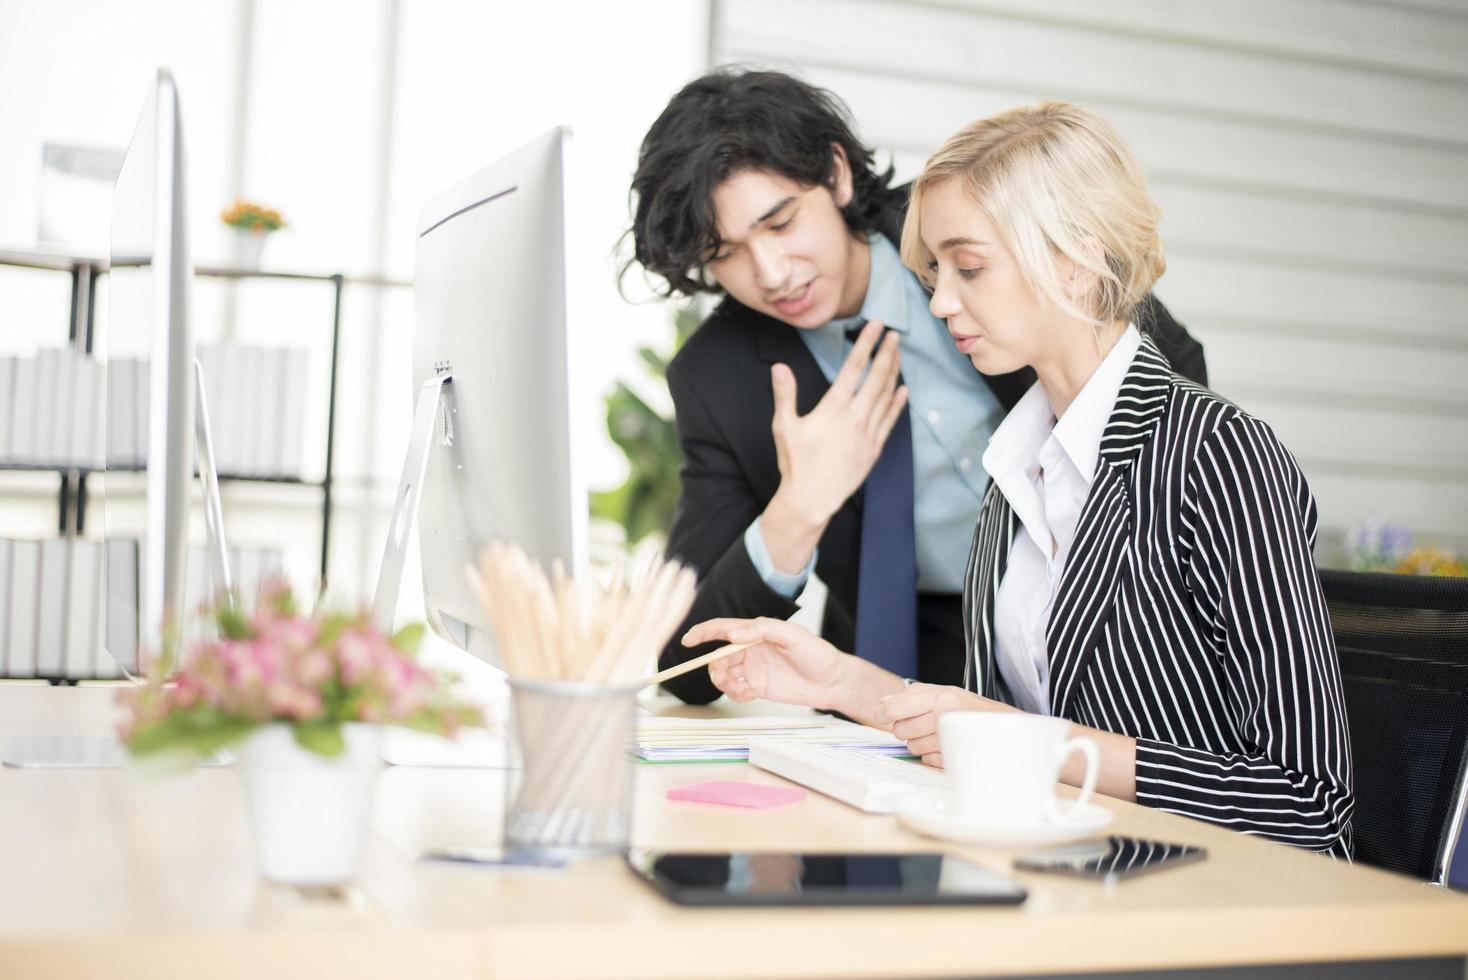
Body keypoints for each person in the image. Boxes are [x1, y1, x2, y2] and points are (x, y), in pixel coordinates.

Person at [682, 101, 1354, 856]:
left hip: (1197, 901)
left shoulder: (1223, 456)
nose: (938, 301)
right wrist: (843, 685)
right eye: (936, 272)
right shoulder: (1014, 470)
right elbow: (988, 722)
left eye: (968, 268)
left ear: (1075, 257)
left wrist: (1041, 743)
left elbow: (1309, 805)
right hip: (1049, 875)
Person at [626, 69, 1207, 704]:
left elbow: (1168, 367)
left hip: (1104, 640)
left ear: (836, 173)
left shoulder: (964, 226)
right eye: (725, 253)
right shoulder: (718, 377)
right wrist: (799, 507)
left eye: (781, 223)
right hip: (901, 667)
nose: (770, 273)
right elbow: (682, 660)